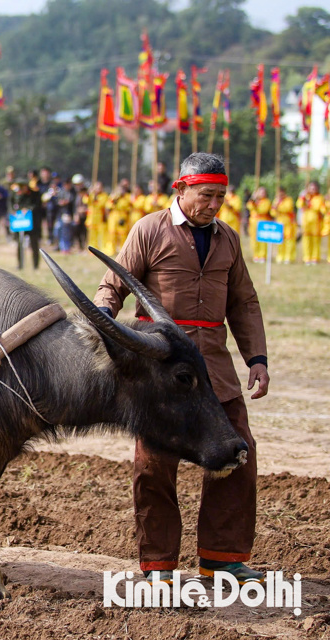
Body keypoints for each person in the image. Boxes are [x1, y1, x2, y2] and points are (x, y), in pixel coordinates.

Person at [94, 152, 269, 584]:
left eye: (221, 197)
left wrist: (257, 359)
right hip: (160, 372)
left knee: (238, 454)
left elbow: (243, 302)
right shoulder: (150, 230)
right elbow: (112, 286)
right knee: (154, 467)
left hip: (215, 371)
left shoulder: (228, 239)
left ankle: (221, 558)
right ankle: (158, 566)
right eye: (206, 194)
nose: (214, 204)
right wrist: (101, 318)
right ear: (182, 188)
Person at [297, 181, 324, 265]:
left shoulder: (319, 197)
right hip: (306, 222)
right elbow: (299, 205)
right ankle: (307, 257)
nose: (313, 189)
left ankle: (315, 258)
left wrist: (310, 204)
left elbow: (319, 207)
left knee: (315, 240)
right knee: (306, 240)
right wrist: (303, 198)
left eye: (314, 187)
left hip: (316, 222)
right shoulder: (305, 196)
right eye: (311, 187)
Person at [273, 186, 296, 264]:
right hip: (279, 223)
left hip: (288, 223)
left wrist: (278, 207)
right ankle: (280, 256)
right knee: (280, 240)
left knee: (289, 240)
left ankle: (289, 257)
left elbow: (288, 208)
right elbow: (272, 212)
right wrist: (276, 206)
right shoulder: (276, 200)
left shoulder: (288, 200)